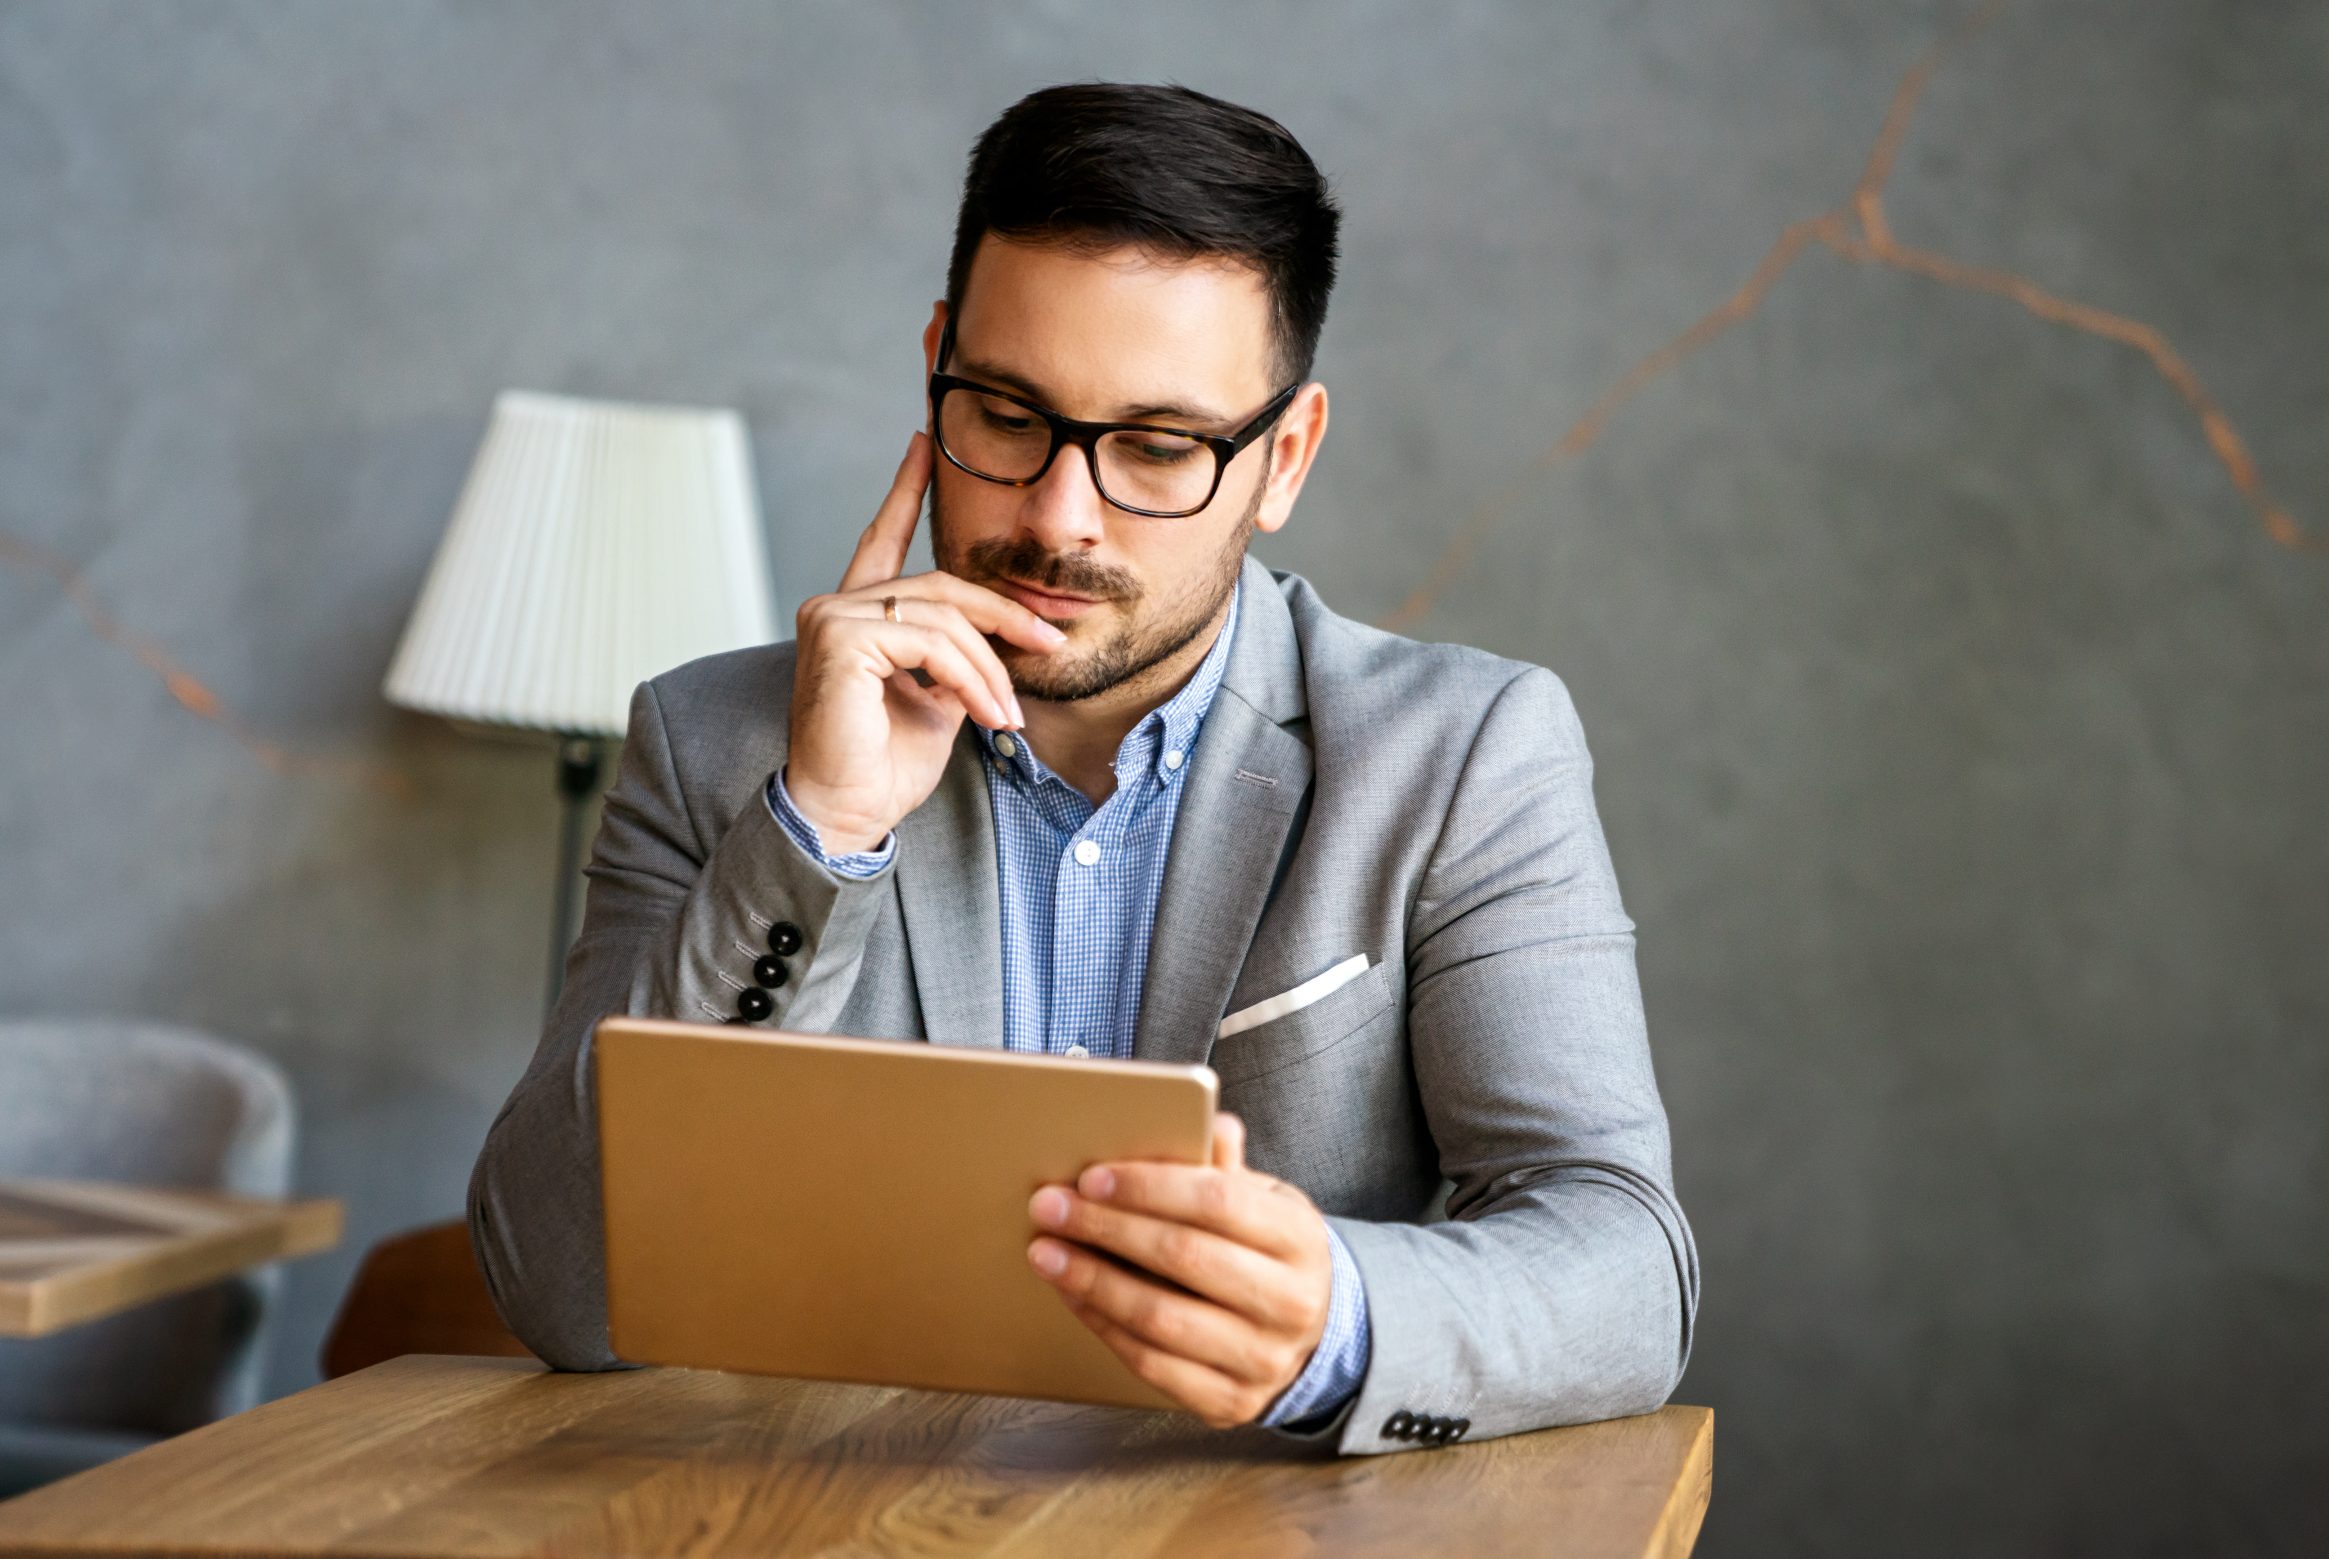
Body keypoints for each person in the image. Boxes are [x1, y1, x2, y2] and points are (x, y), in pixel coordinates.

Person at [468, 81, 1697, 1456]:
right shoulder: (717, 747)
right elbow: (558, 1291)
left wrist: (1333, 1318)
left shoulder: (1464, 755)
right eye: (1004, 415)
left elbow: (1626, 1267)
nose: (1059, 519)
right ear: (937, 364)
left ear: (1282, 458)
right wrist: (817, 834)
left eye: (1159, 449)